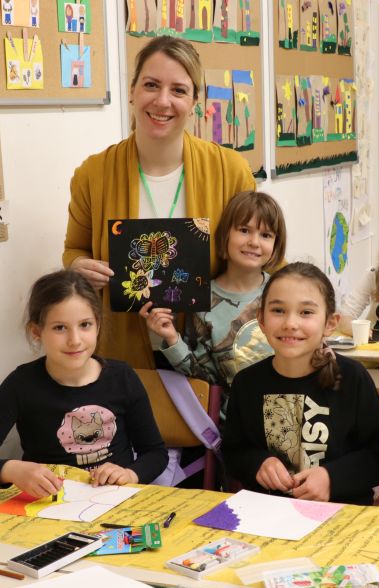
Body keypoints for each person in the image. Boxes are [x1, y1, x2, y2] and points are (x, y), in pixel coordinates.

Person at [63, 36, 255, 370]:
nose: (162, 101)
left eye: (178, 90)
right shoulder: (93, 174)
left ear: (194, 101)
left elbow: (264, 258)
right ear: (132, 91)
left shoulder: (230, 171)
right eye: (151, 85)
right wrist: (79, 267)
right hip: (122, 353)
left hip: (211, 357)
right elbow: (74, 250)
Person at [0, 270, 167, 498]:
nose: (75, 340)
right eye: (60, 328)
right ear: (37, 331)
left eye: (85, 325)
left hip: (115, 503)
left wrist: (130, 474)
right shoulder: (21, 385)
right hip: (49, 508)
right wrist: (12, 470)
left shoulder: (122, 377)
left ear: (98, 325)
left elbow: (155, 453)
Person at [222, 262, 379, 505]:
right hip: (268, 513)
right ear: (261, 319)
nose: (290, 323)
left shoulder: (352, 378)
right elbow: (233, 452)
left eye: (306, 312)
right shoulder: (246, 383)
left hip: (342, 514)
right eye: (278, 310)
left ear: (330, 323)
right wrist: (258, 463)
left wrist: (332, 478)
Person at [140, 191, 285, 418]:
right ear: (225, 235)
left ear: (276, 244)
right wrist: (172, 339)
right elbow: (204, 379)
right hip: (236, 423)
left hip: (290, 414)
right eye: (244, 230)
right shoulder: (201, 301)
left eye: (266, 235)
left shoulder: (284, 291)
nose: (254, 242)